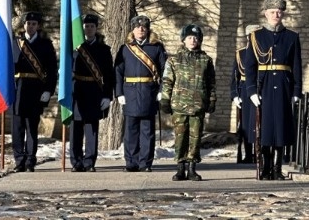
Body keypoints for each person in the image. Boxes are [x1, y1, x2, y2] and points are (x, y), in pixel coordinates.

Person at [243, 0, 302, 181]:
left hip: (283, 85)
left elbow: (297, 66)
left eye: (279, 11)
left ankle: (277, 168)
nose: (276, 14)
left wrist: (296, 90)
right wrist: (251, 90)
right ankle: (265, 167)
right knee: (265, 128)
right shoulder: (256, 36)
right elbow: (250, 66)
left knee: (281, 128)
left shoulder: (291, 37)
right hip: (264, 85)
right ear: (265, 13)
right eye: (272, 12)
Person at [160, 23, 216, 181]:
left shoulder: (206, 60)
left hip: (198, 105)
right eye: (190, 37)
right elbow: (167, 81)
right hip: (179, 105)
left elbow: (211, 83)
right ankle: (180, 168)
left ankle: (192, 168)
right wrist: (165, 100)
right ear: (183, 40)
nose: (193, 41)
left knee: (196, 137)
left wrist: (212, 101)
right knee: (180, 137)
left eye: (196, 38)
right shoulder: (174, 60)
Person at [115, 14, 166, 172]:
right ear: (133, 30)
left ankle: (145, 163)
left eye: (143, 27)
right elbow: (117, 71)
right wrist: (119, 93)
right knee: (130, 131)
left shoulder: (156, 48)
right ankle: (131, 162)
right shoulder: (125, 48)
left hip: (148, 92)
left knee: (147, 131)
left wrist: (162, 90)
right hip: (130, 92)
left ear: (148, 29)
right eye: (137, 27)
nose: (140, 29)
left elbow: (165, 71)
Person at [12, 11, 58, 172]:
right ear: (23, 25)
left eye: (33, 24)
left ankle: (30, 160)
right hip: (17, 90)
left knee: (31, 127)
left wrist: (48, 90)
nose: (30, 26)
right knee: (17, 128)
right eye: (27, 23)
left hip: (35, 90)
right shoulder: (15, 43)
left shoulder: (45, 44)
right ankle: (19, 160)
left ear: (38, 26)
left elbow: (52, 70)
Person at [69, 13, 114, 172]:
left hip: (94, 92)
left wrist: (108, 96)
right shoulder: (74, 48)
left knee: (91, 129)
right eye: (86, 26)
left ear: (96, 28)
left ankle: (89, 162)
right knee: (75, 128)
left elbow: (109, 75)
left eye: (92, 26)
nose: (89, 29)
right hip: (77, 91)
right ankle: (76, 161)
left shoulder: (103, 50)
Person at [232, 24, 259, 164]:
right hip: (244, 90)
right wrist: (235, 95)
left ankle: (259, 152)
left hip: (259, 90)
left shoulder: (263, 52)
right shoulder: (241, 53)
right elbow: (234, 77)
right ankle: (248, 154)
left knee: (259, 123)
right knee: (246, 125)